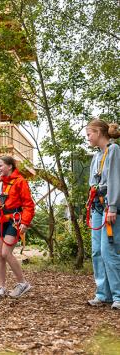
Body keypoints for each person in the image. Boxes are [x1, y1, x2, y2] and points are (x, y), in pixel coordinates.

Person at [0, 156, 34, 298]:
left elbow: (28, 205)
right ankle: (2, 287)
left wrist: (25, 222)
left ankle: (23, 283)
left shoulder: (20, 182)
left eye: (1, 165)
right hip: (0, 221)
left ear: (10, 166)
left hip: (14, 221)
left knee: (6, 253)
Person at [85, 119, 120, 310]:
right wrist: (90, 209)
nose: (88, 138)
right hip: (97, 207)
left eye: (89, 134)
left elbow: (115, 179)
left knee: (109, 252)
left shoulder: (113, 151)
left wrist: (113, 207)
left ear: (98, 132)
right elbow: (93, 183)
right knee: (97, 252)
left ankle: (118, 295)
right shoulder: (96, 156)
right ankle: (103, 293)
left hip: (109, 207)